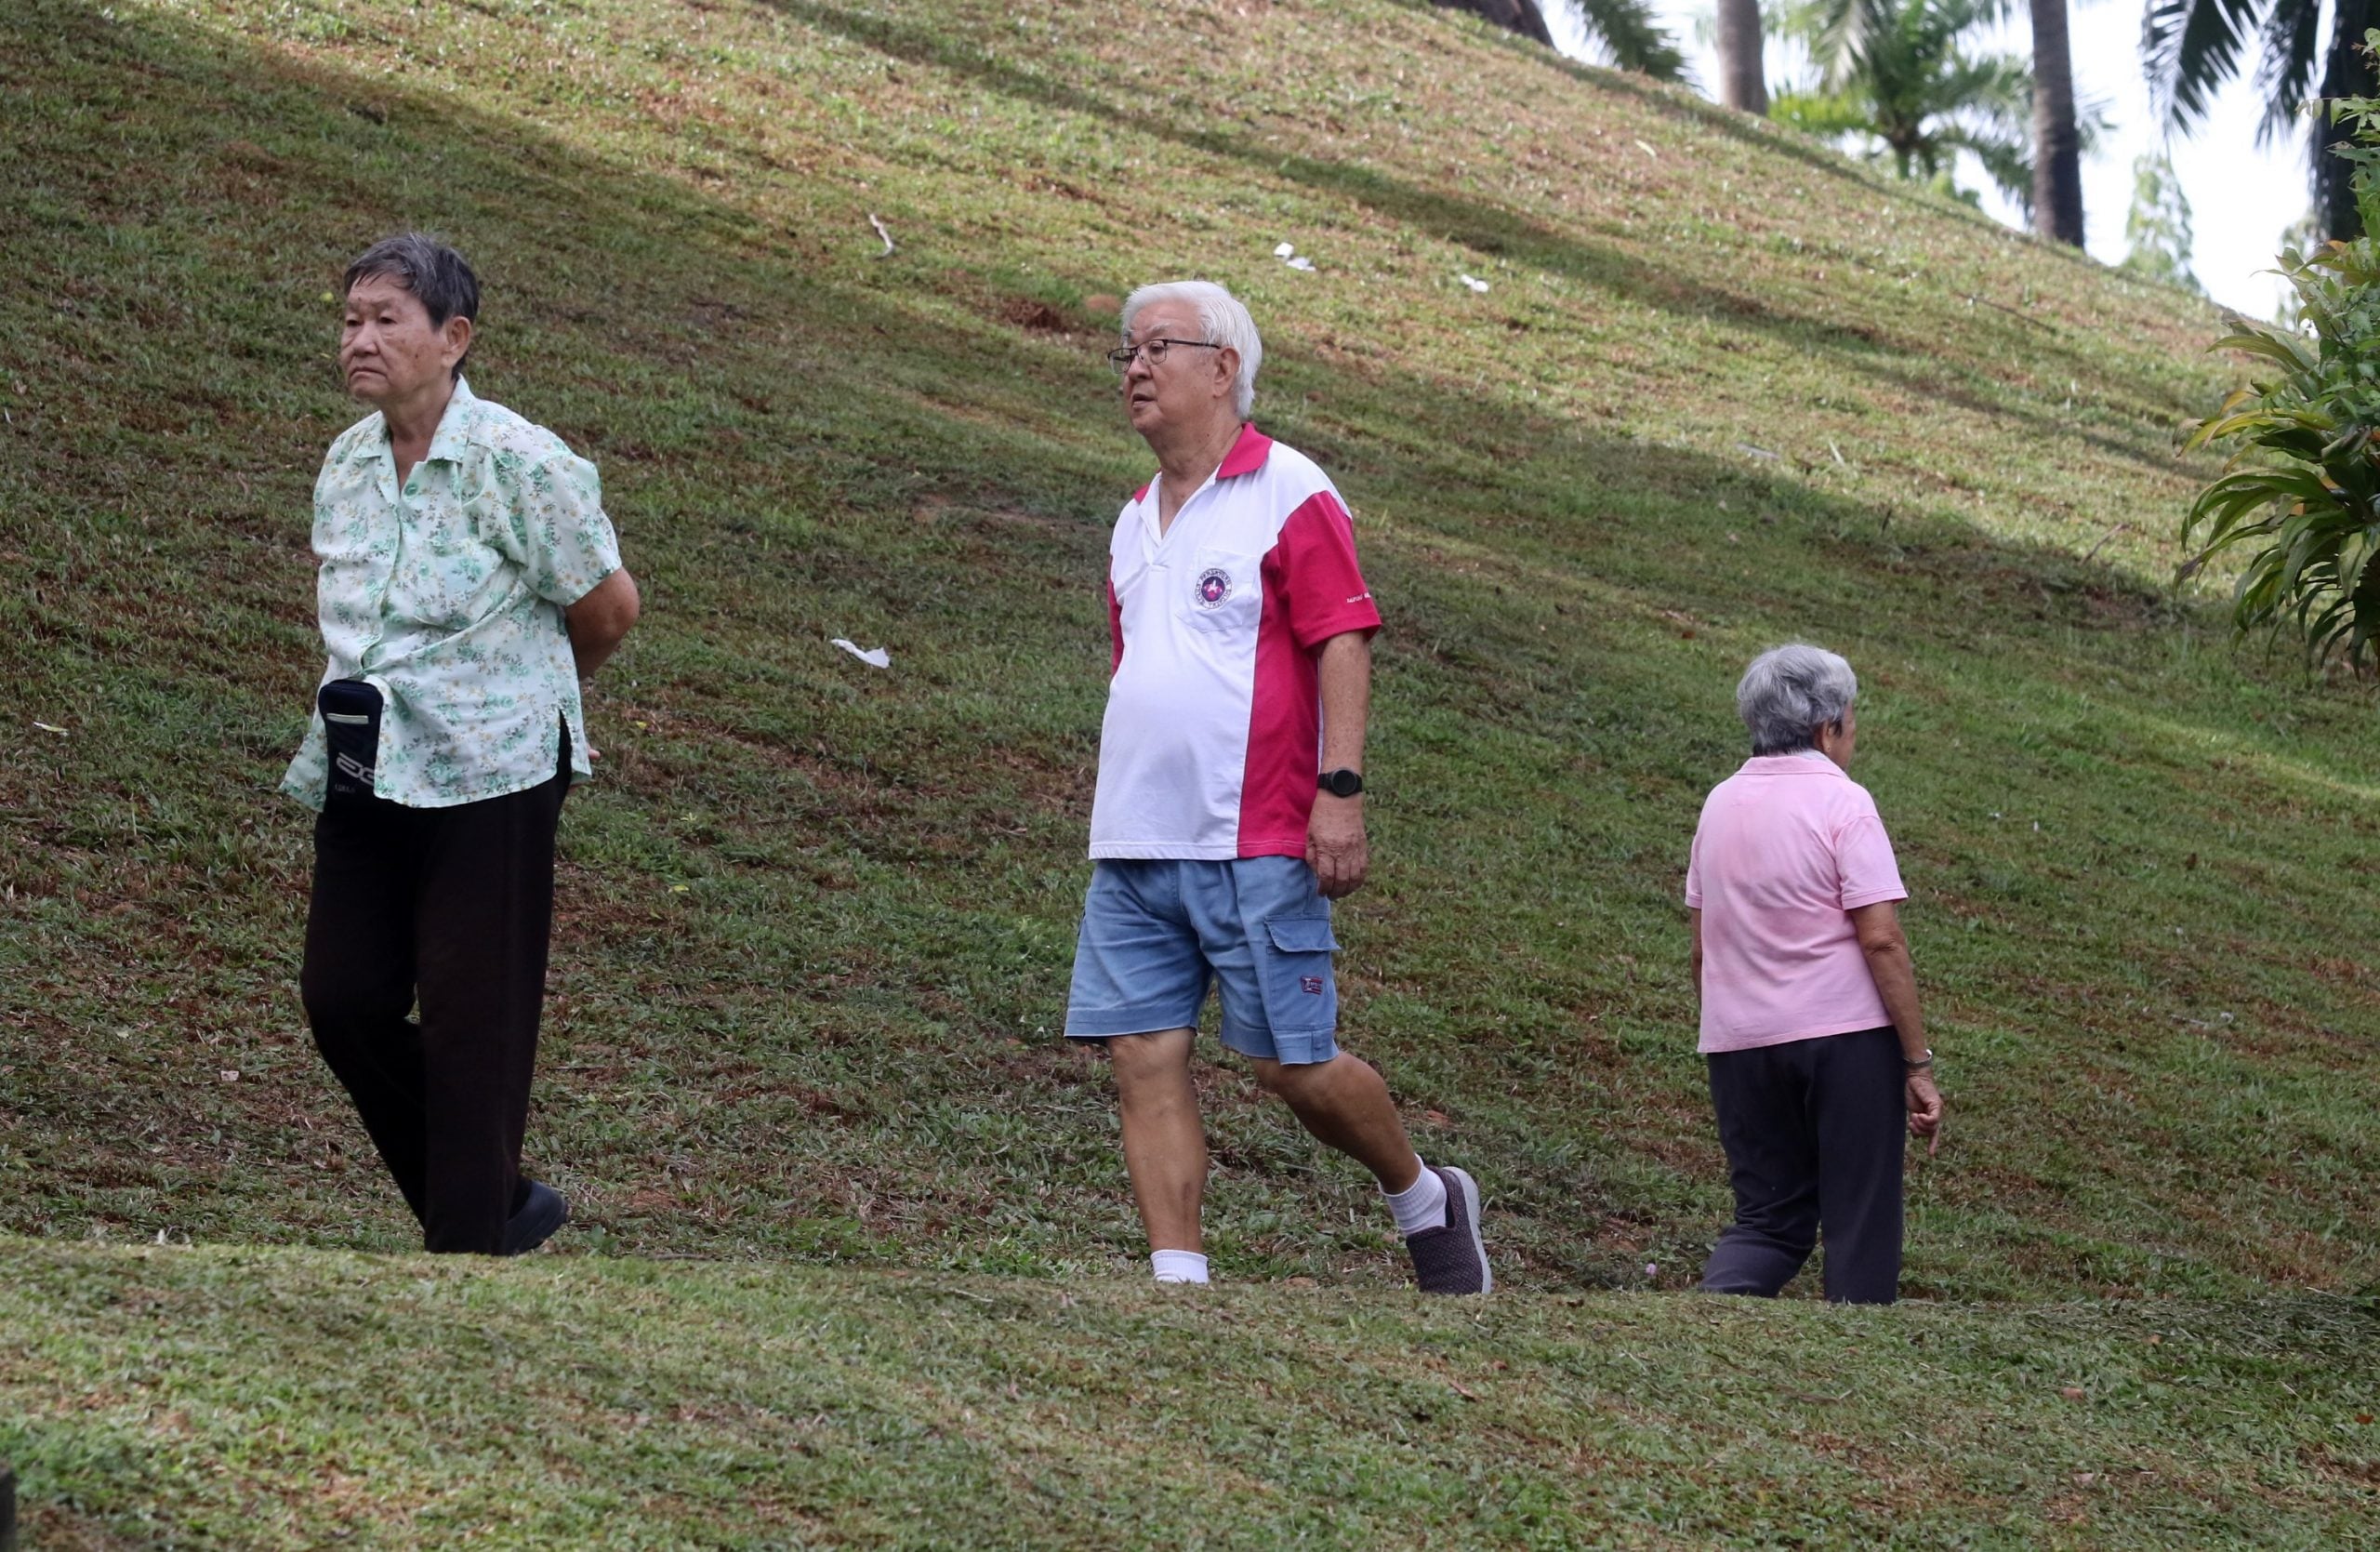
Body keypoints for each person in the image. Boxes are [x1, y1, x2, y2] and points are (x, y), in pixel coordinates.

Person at [1064, 280, 1489, 1294]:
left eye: (1156, 346)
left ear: (1223, 368)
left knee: (1290, 1066)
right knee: (1141, 1053)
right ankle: (1178, 1280)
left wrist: (1338, 790)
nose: (1132, 366)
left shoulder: (1288, 488)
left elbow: (1342, 636)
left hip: (1255, 833)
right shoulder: (1130, 522)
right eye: (1124, 349)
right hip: (1132, 838)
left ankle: (1425, 1196)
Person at [283, 233, 640, 1255]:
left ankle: (468, 1251)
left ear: (454, 338)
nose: (360, 338)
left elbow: (608, 609)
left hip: (494, 775)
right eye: (351, 318)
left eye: (386, 319)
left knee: (472, 1027)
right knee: (342, 1000)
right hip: (365, 769)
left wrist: (513, 699)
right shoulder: (347, 461)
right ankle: (503, 1198)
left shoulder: (518, 463)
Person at [1685, 643, 1945, 1304]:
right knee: (1861, 1218)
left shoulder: (1719, 804)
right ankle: (1860, 1358)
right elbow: (1881, 938)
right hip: (1846, 1042)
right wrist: (1916, 1062)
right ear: (1826, 728)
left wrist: (1736, 1025)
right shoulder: (1844, 802)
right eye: (1852, 723)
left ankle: (1706, 1322)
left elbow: (1701, 949)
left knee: (1767, 1219)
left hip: (1740, 1040)